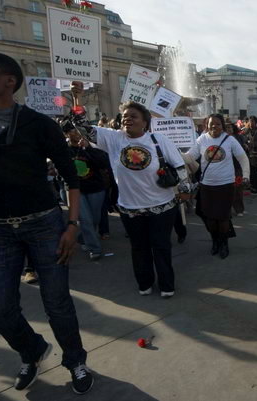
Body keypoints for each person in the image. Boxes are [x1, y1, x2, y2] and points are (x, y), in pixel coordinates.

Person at [0, 53, 93, 394]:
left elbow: (71, 178)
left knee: (57, 301)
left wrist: (73, 225)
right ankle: (32, 350)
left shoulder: (38, 123)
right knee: (0, 310)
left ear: (9, 81)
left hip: (44, 225)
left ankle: (75, 360)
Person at [71, 82, 191, 299]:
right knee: (139, 248)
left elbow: (180, 166)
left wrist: (184, 189)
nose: (127, 119)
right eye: (124, 116)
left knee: (161, 247)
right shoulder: (113, 138)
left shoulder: (158, 139)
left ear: (145, 122)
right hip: (130, 209)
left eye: (133, 116)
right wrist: (77, 98)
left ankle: (166, 285)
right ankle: (144, 283)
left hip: (162, 207)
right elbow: (81, 127)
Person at [185, 114, 250, 259]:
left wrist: (246, 175)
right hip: (207, 186)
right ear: (206, 125)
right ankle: (215, 240)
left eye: (218, 124)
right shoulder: (202, 139)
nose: (214, 126)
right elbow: (190, 157)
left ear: (223, 125)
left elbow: (243, 158)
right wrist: (174, 153)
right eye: (211, 124)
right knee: (210, 220)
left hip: (226, 185)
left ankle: (224, 243)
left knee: (223, 218)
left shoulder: (229, 140)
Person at [62, 123, 110, 260]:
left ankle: (84, 237)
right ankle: (94, 249)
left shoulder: (92, 147)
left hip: (95, 189)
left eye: (77, 130)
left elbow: (104, 163)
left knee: (95, 218)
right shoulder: (64, 150)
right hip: (76, 190)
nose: (76, 133)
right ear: (66, 134)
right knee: (85, 220)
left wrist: (88, 148)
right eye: (72, 131)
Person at [227, 122, 248, 216]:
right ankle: (230, 209)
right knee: (229, 190)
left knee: (238, 189)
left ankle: (240, 209)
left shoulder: (239, 137)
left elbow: (244, 148)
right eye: (226, 128)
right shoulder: (221, 139)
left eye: (230, 127)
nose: (229, 129)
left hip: (237, 167)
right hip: (227, 167)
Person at [245, 115, 257, 193]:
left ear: (255, 122)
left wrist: (253, 144)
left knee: (256, 172)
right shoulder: (246, 131)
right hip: (248, 155)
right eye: (250, 121)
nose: (251, 123)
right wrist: (246, 144)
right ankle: (251, 187)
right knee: (250, 172)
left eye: (252, 121)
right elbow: (243, 139)